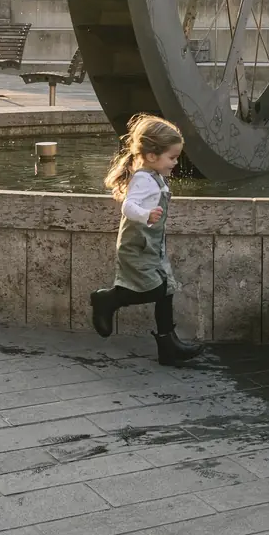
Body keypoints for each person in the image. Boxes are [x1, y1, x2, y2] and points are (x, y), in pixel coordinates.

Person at [88, 114, 202, 365]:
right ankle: (108, 300)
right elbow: (128, 207)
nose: (175, 162)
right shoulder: (143, 179)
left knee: (166, 289)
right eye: (172, 157)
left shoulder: (153, 176)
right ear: (151, 156)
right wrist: (146, 215)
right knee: (156, 288)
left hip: (151, 245)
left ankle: (168, 345)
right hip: (137, 246)